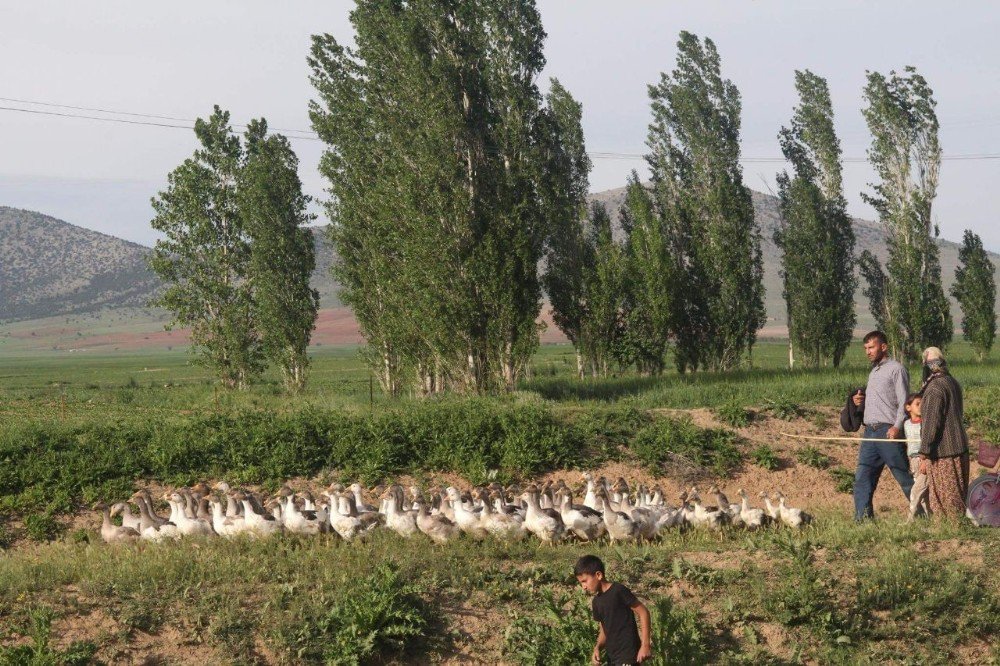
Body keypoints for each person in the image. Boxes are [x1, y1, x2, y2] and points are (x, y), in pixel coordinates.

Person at [851, 331, 914, 520]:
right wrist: (859, 401)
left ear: (884, 347)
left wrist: (897, 426)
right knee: (863, 478)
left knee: (904, 477)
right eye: (866, 348)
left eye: (871, 347)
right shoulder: (874, 372)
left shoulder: (897, 369)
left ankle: (923, 513)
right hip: (870, 433)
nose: (868, 352)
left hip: (888, 432)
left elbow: (904, 402)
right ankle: (862, 519)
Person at [916, 347, 970, 518]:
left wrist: (924, 451)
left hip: (943, 452)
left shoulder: (935, 388)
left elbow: (931, 423)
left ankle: (949, 529)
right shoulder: (952, 382)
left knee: (945, 500)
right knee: (958, 497)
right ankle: (957, 526)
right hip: (960, 447)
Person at [575, 555, 652, 665]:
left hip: (628, 655)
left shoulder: (618, 591)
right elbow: (604, 629)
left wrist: (645, 645)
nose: (584, 587)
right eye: (581, 583)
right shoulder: (596, 602)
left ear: (598, 575)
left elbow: (643, 612)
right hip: (612, 658)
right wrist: (597, 647)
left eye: (584, 581)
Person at [904, 393, 930, 519]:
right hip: (913, 461)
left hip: (924, 460)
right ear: (908, 407)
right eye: (917, 404)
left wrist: (925, 461)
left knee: (916, 491)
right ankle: (932, 519)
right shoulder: (906, 424)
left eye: (922, 404)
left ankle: (910, 520)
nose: (921, 406)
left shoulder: (926, 423)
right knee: (924, 496)